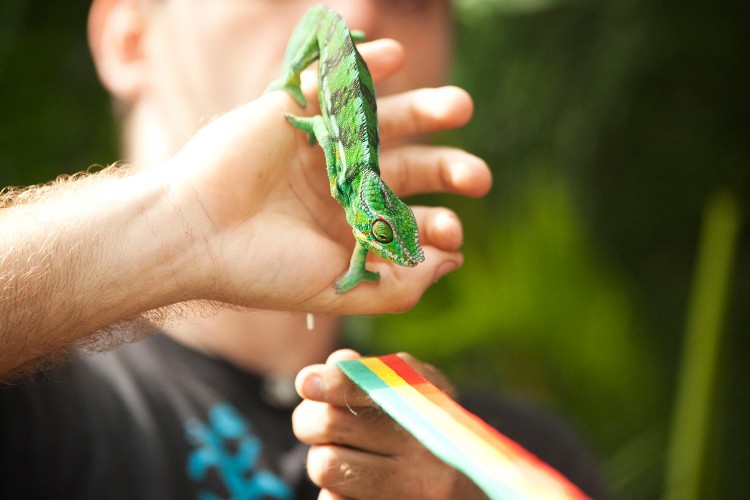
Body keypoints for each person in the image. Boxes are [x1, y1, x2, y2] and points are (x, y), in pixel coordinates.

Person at [0, 0, 607, 498]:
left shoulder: (515, 455)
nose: (359, 7)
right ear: (129, 39)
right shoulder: (38, 402)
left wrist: (471, 489)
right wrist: (178, 226)